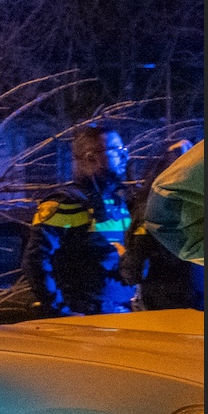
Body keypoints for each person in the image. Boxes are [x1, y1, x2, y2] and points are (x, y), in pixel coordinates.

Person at [22, 126, 135, 316]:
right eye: (116, 151)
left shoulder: (118, 201)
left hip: (122, 315)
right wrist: (61, 311)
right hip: (85, 321)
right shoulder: (65, 202)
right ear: (91, 157)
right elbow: (35, 260)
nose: (126, 157)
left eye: (124, 151)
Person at [120, 139, 206, 310]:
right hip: (174, 302)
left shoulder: (154, 209)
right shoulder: (155, 210)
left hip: (171, 302)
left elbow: (134, 268)